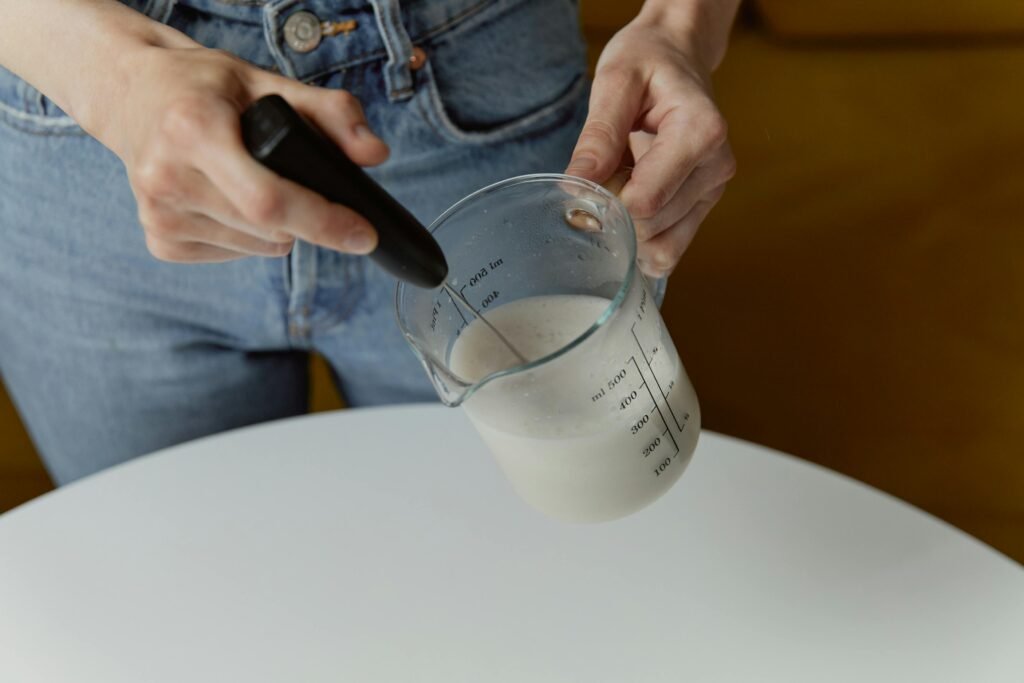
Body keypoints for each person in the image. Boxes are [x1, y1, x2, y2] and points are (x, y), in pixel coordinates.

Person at [0, 0, 738, 485]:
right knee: (180, 589)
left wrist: (681, 27)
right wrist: (113, 75)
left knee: (510, 568)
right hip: (85, 134)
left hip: (476, 104)